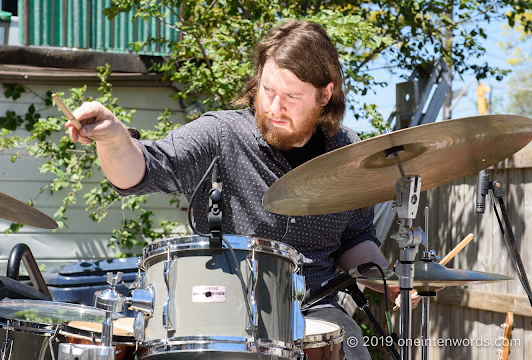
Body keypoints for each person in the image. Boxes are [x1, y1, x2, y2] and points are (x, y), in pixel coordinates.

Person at [67, 19, 417, 359]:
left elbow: (355, 238)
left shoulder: (346, 151)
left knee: (351, 345)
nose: (274, 108)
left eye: (291, 97)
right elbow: (142, 169)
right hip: (220, 315)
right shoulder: (220, 135)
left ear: (325, 94)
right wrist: (113, 138)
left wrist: (388, 280)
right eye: (268, 90)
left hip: (315, 315)